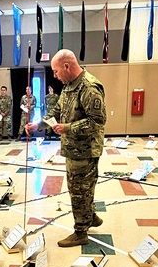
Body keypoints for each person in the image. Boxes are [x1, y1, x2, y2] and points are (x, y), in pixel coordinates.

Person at [27, 49, 106, 247]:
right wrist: (39, 125)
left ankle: (81, 232)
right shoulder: (69, 86)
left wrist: (67, 128)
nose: (54, 76)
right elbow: (57, 111)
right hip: (73, 148)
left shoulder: (89, 87)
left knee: (78, 189)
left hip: (86, 150)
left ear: (67, 66)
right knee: (83, 188)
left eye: (55, 71)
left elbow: (97, 122)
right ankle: (90, 216)